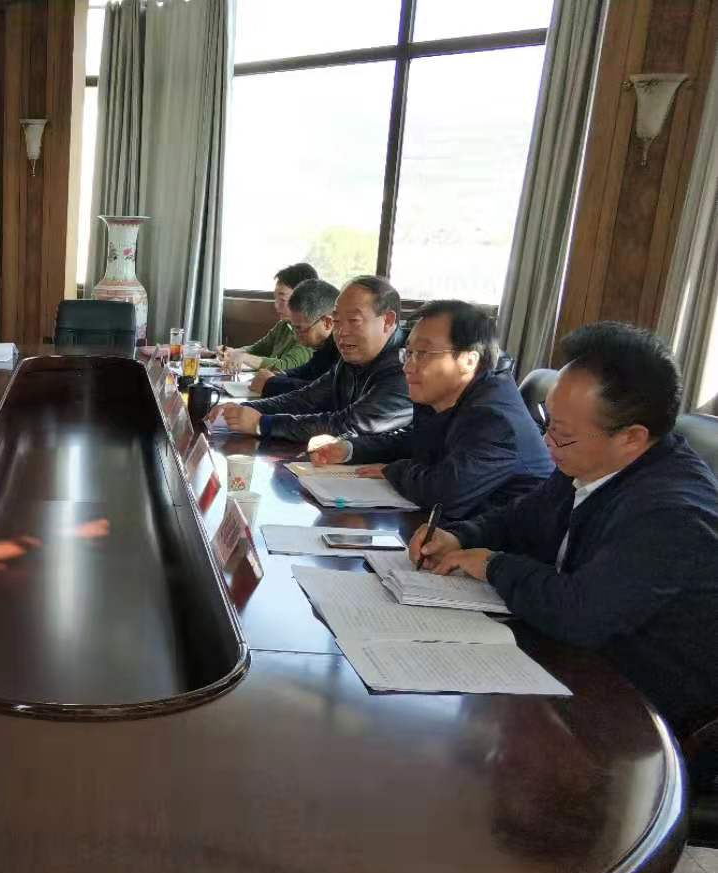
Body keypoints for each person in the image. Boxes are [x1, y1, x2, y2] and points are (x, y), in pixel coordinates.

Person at [411, 322, 718, 738]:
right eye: (547, 421)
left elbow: (582, 613)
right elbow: (519, 517)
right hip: (570, 661)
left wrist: (493, 564)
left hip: (644, 715)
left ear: (631, 437)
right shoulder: (590, 461)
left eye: (562, 433)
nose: (546, 442)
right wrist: (460, 536)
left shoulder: (673, 514)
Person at [309, 299, 553, 517]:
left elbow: (446, 494)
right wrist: (350, 449)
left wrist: (394, 470)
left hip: (504, 544)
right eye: (409, 353)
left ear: (469, 360)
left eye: (423, 353)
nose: (407, 366)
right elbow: (415, 440)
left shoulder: (495, 418)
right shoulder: (447, 395)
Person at [207, 275, 411, 443]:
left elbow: (350, 424)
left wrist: (263, 424)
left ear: (388, 321)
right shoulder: (352, 358)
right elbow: (306, 399)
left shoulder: (408, 366)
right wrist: (244, 409)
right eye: (337, 321)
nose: (341, 332)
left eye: (353, 320)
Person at [221, 262, 320, 374]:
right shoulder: (284, 325)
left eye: (282, 300)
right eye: (275, 299)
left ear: (304, 299)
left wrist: (244, 357)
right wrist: (233, 352)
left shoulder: (311, 331)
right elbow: (257, 349)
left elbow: (288, 366)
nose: (276, 305)